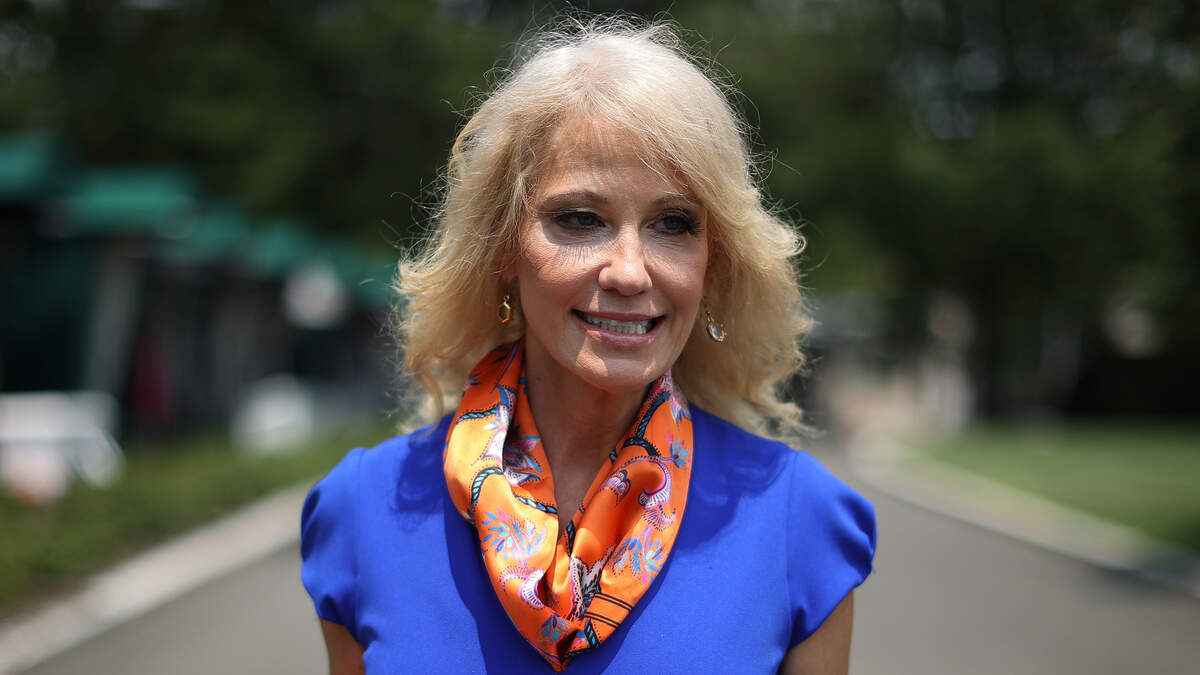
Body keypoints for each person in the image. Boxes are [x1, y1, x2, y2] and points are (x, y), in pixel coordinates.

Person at [301, 17, 875, 674]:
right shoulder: (363, 510)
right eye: (580, 218)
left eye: (673, 223)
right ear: (503, 247)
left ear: (713, 263)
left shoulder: (799, 521)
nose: (629, 271)